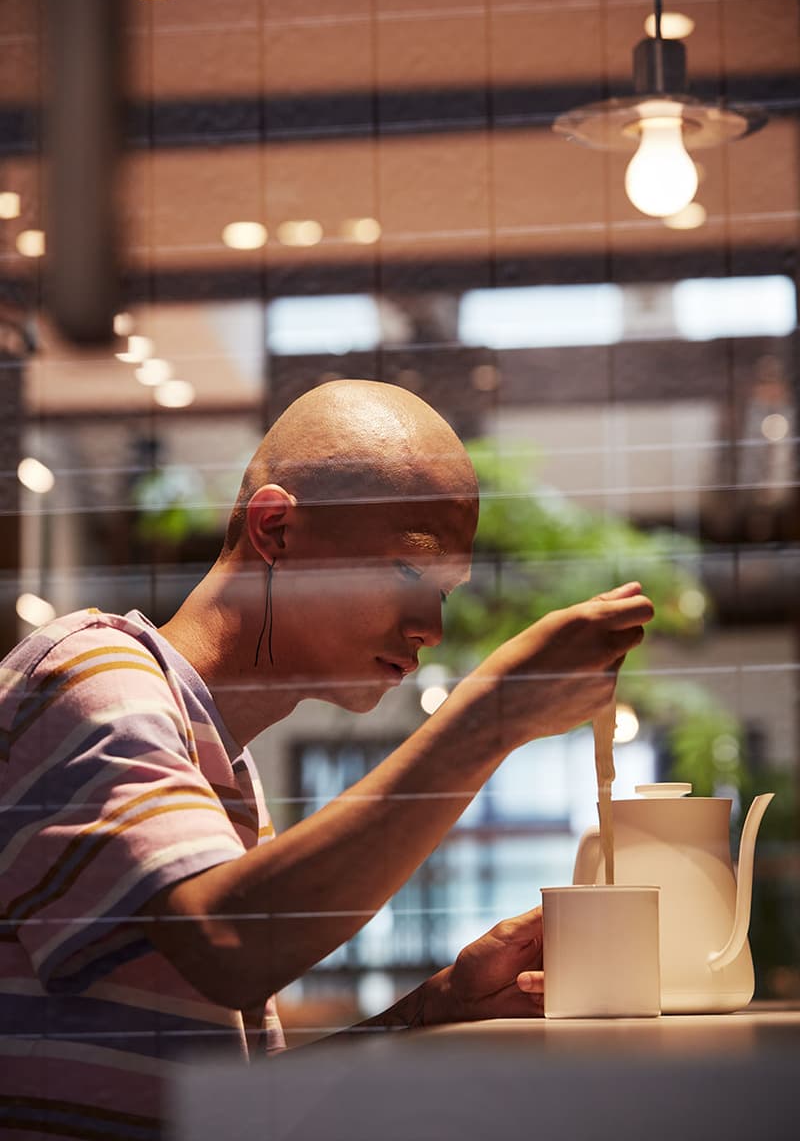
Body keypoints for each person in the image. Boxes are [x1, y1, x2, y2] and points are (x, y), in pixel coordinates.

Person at [0, 379, 653, 1140]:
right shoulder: (88, 674)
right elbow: (227, 946)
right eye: (410, 572)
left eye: (445, 591)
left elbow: (239, 1108)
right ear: (274, 530)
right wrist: (492, 716)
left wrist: (430, 1009)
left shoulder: (224, 779)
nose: (431, 627)